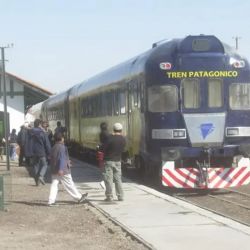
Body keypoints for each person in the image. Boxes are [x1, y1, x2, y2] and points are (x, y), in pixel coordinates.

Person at [48, 132, 88, 206]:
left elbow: (51, 157)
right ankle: (79, 197)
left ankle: (51, 201)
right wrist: (61, 168)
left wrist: (67, 161)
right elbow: (61, 158)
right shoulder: (62, 147)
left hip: (54, 169)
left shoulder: (53, 147)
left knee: (54, 184)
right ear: (62, 139)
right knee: (69, 183)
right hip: (63, 170)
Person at [103, 122, 126, 202]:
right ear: (121, 130)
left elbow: (103, 148)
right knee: (118, 179)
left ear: (113, 129)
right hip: (118, 161)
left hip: (109, 161)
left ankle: (109, 196)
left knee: (108, 179)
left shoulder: (110, 138)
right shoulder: (123, 139)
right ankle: (120, 196)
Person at [30, 119, 51, 186]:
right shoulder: (42, 133)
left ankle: (37, 182)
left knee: (36, 166)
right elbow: (47, 144)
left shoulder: (31, 132)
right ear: (39, 124)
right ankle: (41, 176)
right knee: (45, 165)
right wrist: (49, 152)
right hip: (42, 152)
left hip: (33, 152)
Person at [97, 122, 110, 189]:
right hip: (106, 153)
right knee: (106, 169)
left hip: (101, 152)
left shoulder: (101, 133)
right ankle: (104, 182)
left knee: (103, 168)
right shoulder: (107, 134)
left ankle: (104, 182)